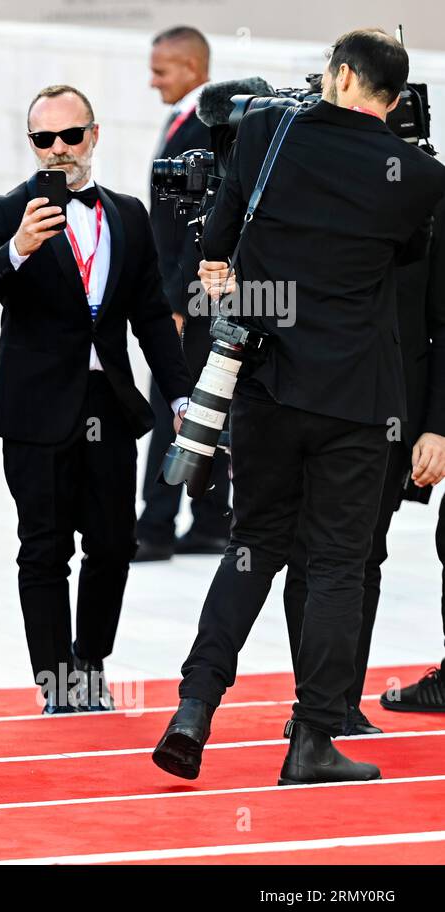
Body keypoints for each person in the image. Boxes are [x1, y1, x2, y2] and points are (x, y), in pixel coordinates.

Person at [152, 29, 445, 786]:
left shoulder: (264, 132)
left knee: (252, 550)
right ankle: (314, 739)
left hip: (269, 386)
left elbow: (217, 240)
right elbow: (405, 258)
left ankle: (194, 708)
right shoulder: (418, 177)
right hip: (358, 400)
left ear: (344, 76)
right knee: (340, 567)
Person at [0, 84, 191, 713]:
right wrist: (18, 248)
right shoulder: (6, 209)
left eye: (71, 135)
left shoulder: (128, 213)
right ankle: (56, 679)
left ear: (95, 135)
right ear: (31, 144)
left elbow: (149, 315)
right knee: (44, 545)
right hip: (36, 408)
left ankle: (91, 660)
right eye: (43, 139)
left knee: (115, 542)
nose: (58, 149)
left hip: (108, 403)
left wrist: (178, 396)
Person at [283, 193, 445, 733]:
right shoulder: (313, 176)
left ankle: (340, 706)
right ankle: (316, 705)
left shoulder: (429, 197)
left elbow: (442, 324)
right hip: (308, 401)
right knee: (306, 554)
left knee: (361, 555)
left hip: (392, 412)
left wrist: (437, 426)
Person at [135, 25, 231, 561]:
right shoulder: (192, 121)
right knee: (204, 405)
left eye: (161, 70)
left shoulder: (200, 126)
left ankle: (155, 525)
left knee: (171, 405)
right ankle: (212, 521)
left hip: (189, 302)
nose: (153, 81)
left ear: (192, 69)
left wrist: (172, 302)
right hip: (194, 296)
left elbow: (196, 226)